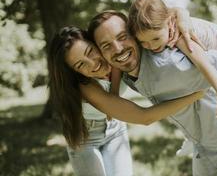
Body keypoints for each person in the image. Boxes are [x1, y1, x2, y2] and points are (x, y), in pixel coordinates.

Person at [87, 10, 217, 176]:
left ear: (135, 35)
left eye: (123, 37)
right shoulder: (126, 66)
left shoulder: (175, 62)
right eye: (107, 46)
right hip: (206, 146)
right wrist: (112, 95)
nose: (118, 48)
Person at [47, 26, 205, 176]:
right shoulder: (86, 87)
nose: (93, 63)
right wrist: (196, 95)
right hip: (85, 139)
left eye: (90, 52)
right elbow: (144, 117)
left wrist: (182, 17)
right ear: (74, 71)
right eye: (81, 64)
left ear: (96, 43)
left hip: (115, 129)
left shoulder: (114, 51)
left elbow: (155, 17)